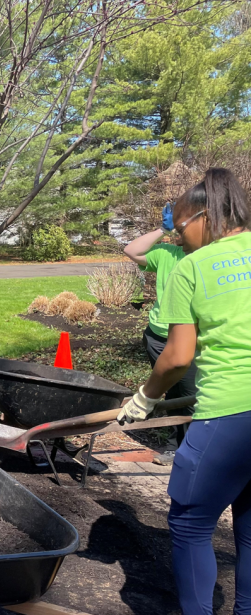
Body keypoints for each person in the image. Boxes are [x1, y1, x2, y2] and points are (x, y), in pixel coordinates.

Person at [117, 168, 251, 615]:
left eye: (181, 226)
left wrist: (145, 397)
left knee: (191, 523)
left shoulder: (193, 267)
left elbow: (176, 357)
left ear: (206, 217)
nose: (181, 236)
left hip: (230, 414)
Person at [123, 202, 197, 461]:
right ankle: (176, 446)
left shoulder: (205, 258)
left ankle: (183, 448)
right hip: (157, 336)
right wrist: (162, 229)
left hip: (190, 336)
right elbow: (131, 249)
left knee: (188, 394)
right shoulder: (166, 253)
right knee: (176, 390)